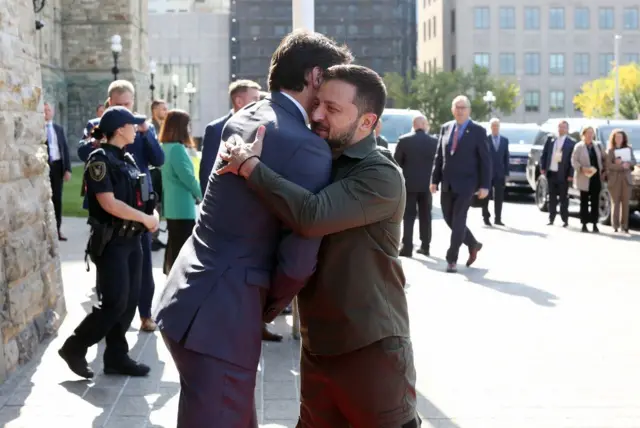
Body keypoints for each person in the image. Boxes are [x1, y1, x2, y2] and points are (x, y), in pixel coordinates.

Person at [153, 30, 353, 428]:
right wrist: (266, 305)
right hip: (223, 317)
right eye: (330, 78)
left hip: (191, 298)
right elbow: (298, 260)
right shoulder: (305, 146)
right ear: (315, 76)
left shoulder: (246, 115)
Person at [219, 64, 420, 428]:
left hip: (370, 347)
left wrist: (250, 166)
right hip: (318, 344)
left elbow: (312, 215)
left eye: (332, 109)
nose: (316, 115)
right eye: (318, 104)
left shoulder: (380, 173)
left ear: (366, 121)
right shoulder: (322, 160)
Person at [58, 106, 160, 379]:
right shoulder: (99, 160)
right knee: (114, 302)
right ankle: (75, 346)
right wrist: (146, 219)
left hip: (133, 240)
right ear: (118, 129)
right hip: (112, 243)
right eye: (132, 125)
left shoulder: (127, 158)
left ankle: (116, 356)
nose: (137, 129)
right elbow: (109, 203)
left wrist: (152, 215)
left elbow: (140, 196)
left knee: (128, 302)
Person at [78, 80, 164, 333]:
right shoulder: (98, 127)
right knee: (111, 269)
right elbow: (84, 152)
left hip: (138, 203)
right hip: (111, 206)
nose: (127, 109)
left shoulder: (139, 127)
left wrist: (146, 132)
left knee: (143, 265)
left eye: (129, 104)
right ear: (110, 104)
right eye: (121, 105)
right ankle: (109, 317)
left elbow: (158, 159)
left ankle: (145, 314)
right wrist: (101, 139)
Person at [430, 95, 490, 273]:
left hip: (467, 183)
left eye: (463, 107)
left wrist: (485, 185)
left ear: (469, 110)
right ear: (452, 110)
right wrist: (434, 180)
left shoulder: (478, 130)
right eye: (457, 107)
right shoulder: (445, 128)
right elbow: (439, 156)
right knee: (449, 219)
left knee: (458, 220)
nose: (460, 110)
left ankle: (451, 259)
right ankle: (472, 243)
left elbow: (485, 161)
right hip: (447, 182)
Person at [158, 109, 202, 274]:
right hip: (182, 205)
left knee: (174, 242)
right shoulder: (177, 149)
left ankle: (171, 274)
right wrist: (204, 195)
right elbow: (188, 178)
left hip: (172, 203)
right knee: (182, 246)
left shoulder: (166, 147)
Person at [199, 80, 262, 195]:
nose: (259, 103)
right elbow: (207, 169)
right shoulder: (216, 129)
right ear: (239, 101)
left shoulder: (260, 128)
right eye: (255, 99)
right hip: (224, 199)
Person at [395, 114, 438, 257]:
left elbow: (397, 164)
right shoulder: (434, 142)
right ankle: (425, 246)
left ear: (413, 125)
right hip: (427, 185)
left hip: (409, 185)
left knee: (408, 216)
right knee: (426, 216)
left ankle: (407, 247)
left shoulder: (404, 140)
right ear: (424, 125)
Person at [44, 102, 72, 241]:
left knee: (57, 200)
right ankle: (45, 231)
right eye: (44, 110)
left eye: (48, 110)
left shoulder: (58, 129)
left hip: (58, 167)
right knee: (43, 199)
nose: (46, 112)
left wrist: (68, 169)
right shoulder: (37, 130)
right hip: (44, 167)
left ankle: (57, 230)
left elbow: (65, 149)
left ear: (53, 112)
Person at [539, 120, 575, 227]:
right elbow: (544, 154)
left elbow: (572, 161)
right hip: (551, 172)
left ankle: (565, 219)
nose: (561, 129)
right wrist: (543, 167)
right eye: (560, 127)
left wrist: (570, 174)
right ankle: (551, 218)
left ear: (567, 129)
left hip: (563, 174)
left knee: (563, 198)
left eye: (564, 127)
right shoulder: (551, 140)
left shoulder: (571, 143)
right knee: (552, 197)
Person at [571, 126, 606, 233]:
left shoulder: (598, 146)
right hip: (584, 177)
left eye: (592, 133)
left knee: (595, 201)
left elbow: (604, 159)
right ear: (584, 134)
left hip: (595, 177)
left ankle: (595, 224)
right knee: (584, 202)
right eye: (588, 133)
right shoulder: (579, 146)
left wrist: (604, 171)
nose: (590, 135)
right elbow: (574, 161)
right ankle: (584, 224)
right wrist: (582, 168)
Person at [605, 129, 637, 233]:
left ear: (624, 139)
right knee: (616, 202)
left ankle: (625, 226)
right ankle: (615, 225)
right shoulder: (610, 151)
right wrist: (619, 165)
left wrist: (628, 164)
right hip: (614, 180)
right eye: (617, 137)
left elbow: (633, 161)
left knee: (625, 203)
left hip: (626, 180)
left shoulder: (629, 149)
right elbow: (608, 165)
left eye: (620, 137)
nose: (619, 139)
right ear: (613, 139)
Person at [482, 117, 509, 226]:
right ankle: (486, 217)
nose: (495, 128)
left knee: (499, 197)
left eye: (497, 126)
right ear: (490, 127)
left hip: (500, 173)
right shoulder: (485, 140)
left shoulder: (504, 140)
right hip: (487, 173)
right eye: (493, 126)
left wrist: (506, 173)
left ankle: (498, 218)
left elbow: (506, 157)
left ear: (499, 127)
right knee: (485, 197)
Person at [150, 99, 169, 251]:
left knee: (160, 206)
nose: (165, 112)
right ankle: (151, 237)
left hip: (162, 172)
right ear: (154, 110)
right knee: (154, 204)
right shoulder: (150, 128)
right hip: (153, 172)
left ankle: (155, 237)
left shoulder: (164, 127)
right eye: (163, 109)